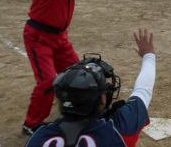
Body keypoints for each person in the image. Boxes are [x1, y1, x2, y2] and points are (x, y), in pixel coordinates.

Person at [22, 0, 103, 135]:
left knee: (78, 75)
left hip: (60, 38)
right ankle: (31, 123)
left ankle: (74, 112)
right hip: (38, 36)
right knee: (48, 81)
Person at [25, 28, 156, 147]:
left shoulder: (39, 137)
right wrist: (149, 55)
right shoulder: (117, 129)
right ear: (102, 101)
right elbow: (143, 90)